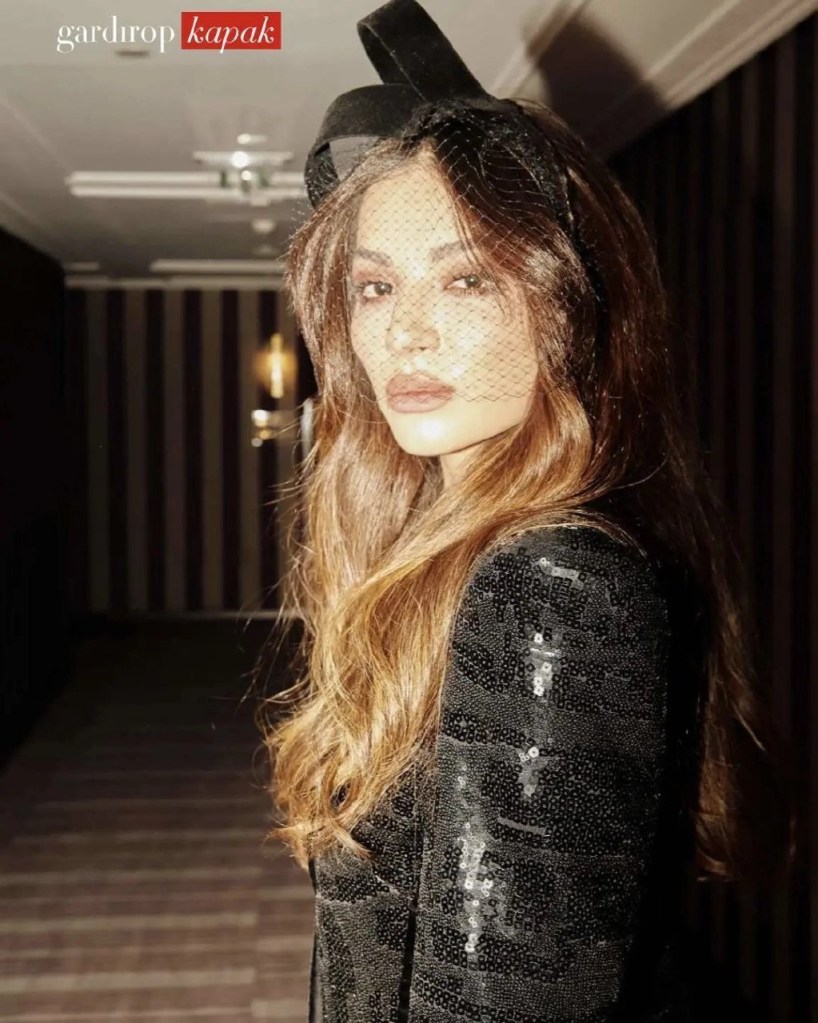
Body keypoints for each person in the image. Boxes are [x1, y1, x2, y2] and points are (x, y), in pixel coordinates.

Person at [257, 1, 796, 1020]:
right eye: (374, 288)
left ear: (568, 306)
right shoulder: (445, 549)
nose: (406, 332)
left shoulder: (550, 582)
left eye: (466, 279)